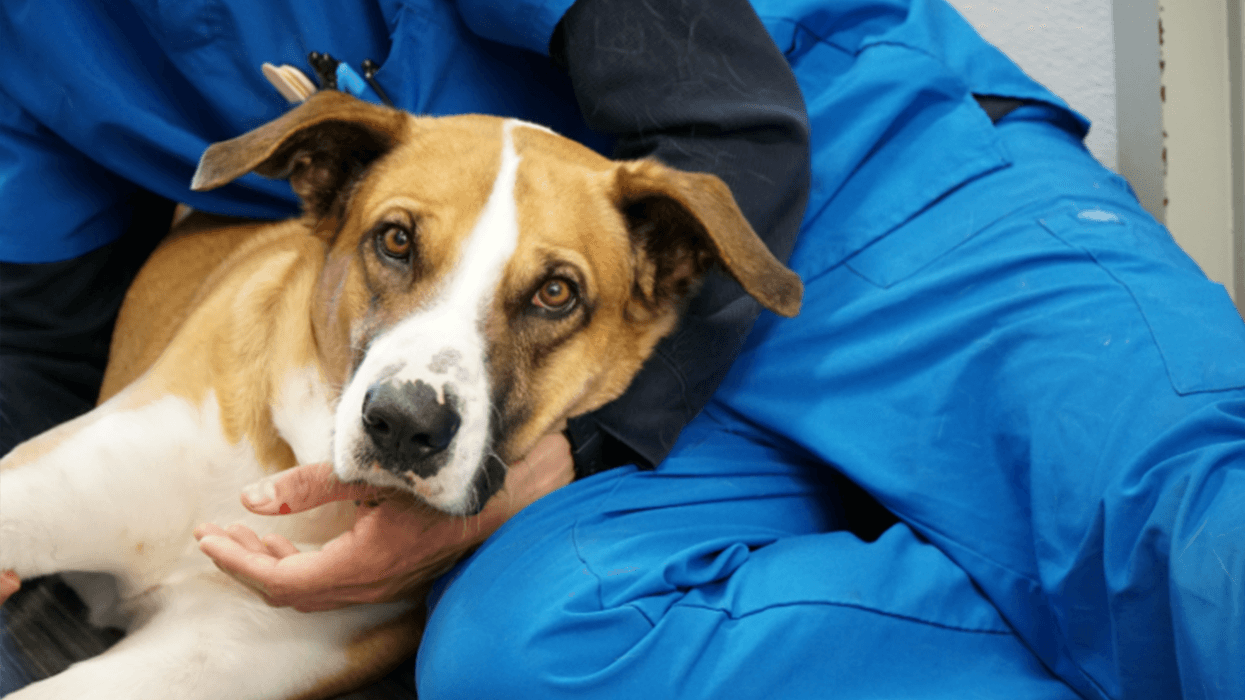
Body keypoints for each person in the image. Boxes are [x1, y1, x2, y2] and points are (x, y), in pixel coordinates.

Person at [4, 2, 1244, 700]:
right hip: (575, 355)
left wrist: (565, 450)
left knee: (1187, 537)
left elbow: (737, 130)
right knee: (521, 656)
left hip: (882, 196)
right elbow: (38, 332)